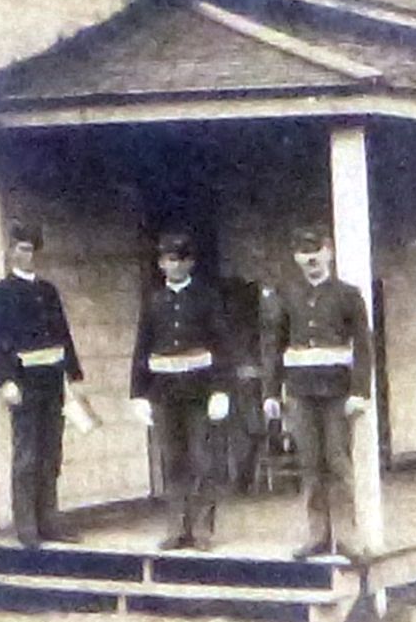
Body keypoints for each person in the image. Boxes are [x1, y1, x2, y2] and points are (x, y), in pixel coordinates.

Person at [261, 225, 374, 560]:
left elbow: (363, 347)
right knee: (309, 463)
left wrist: (359, 390)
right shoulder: (286, 294)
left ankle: (347, 536)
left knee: (337, 461)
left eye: (316, 251)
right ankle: (317, 535)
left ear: (329, 252)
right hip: (300, 391)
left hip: (337, 391)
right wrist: (270, 391)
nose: (310, 259)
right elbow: (273, 345)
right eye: (303, 253)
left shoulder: (347, 295)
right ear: (297, 257)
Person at [0, 219, 84, 546]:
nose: (27, 256)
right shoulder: (0, 293)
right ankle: (26, 527)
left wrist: (73, 375)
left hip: (52, 381)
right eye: (21, 249)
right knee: (26, 455)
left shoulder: (47, 291)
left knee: (51, 452)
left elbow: (63, 335)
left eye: (31, 250)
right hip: (23, 383)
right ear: (11, 252)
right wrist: (5, 380)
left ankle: (49, 520)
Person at [129, 231, 233, 551]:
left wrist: (221, 389)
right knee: (172, 461)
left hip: (199, 391)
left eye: (180, 259)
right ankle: (177, 528)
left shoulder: (206, 298)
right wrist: (138, 392)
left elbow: (222, 346)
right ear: (161, 264)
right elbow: (142, 347)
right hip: (164, 393)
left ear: (191, 263)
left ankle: (202, 529)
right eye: (169, 260)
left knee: (202, 460)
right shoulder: (154, 301)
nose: (174, 266)